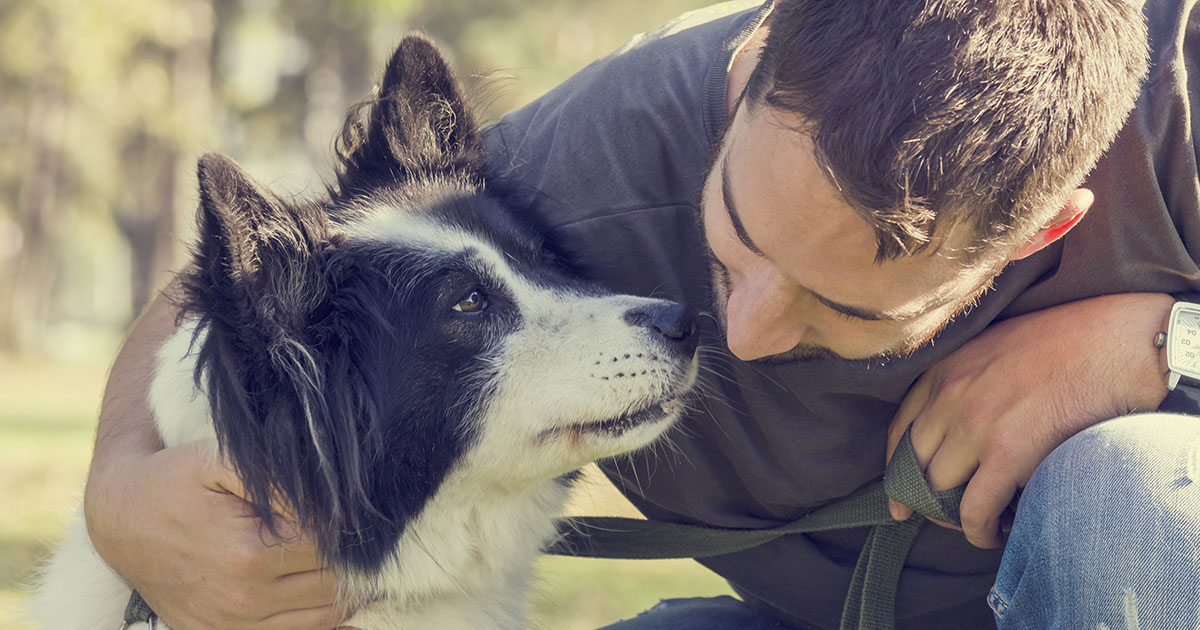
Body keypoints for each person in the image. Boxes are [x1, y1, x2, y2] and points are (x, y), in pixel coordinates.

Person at [82, 1, 1200, 629]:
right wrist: (119, 491)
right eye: (733, 242)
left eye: (841, 308)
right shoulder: (602, 147)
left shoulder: (1181, 99)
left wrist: (1153, 343)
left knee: (1132, 494)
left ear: (1040, 231)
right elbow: (282, 268)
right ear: (753, 64)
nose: (745, 334)